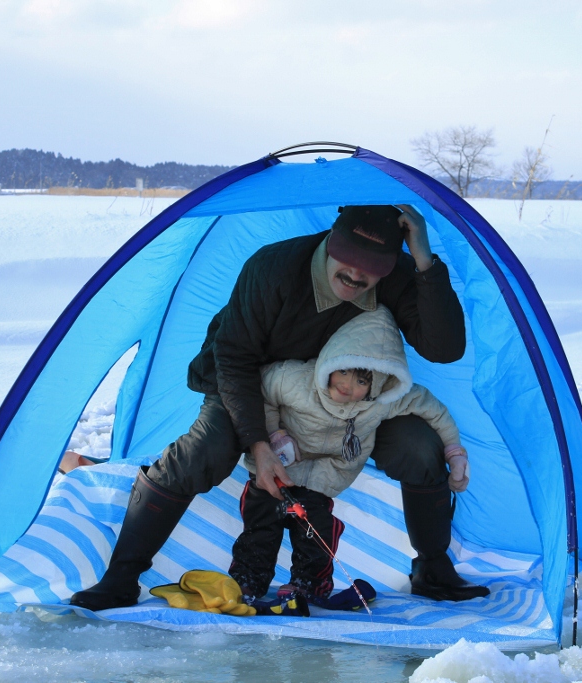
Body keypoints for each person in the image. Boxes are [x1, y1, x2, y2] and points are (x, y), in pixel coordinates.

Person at [70, 204, 488, 611]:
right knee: (206, 450)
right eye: (348, 257)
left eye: (372, 265)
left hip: (340, 399)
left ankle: (433, 569)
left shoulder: (394, 274)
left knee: (417, 445)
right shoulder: (273, 268)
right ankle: (121, 577)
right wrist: (259, 443)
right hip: (251, 383)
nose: (356, 273)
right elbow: (232, 358)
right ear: (331, 239)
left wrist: (424, 261)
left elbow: (444, 348)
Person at [229, 305, 472, 606]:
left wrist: (455, 451)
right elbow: (260, 391)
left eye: (362, 380)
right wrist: (275, 434)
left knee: (315, 531)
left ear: (379, 383)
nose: (347, 385)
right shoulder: (295, 380)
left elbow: (433, 410)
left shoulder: (382, 401)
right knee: (260, 524)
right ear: (331, 362)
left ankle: (309, 583)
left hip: (324, 475)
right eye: (343, 370)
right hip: (277, 465)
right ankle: (248, 579)